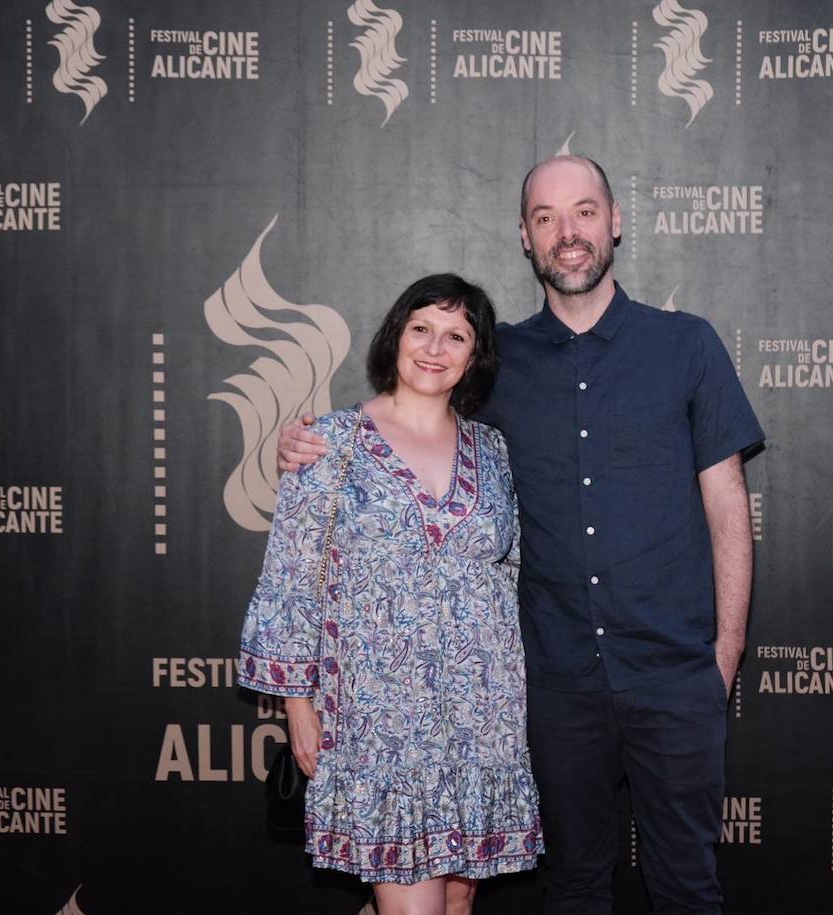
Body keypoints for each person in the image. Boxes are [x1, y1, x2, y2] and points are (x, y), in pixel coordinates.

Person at [278, 156, 764, 914]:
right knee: (571, 887)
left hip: (673, 673)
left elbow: (729, 505)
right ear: (525, 239)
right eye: (545, 218)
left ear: (616, 221)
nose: (567, 233)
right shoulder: (494, 365)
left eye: (583, 212)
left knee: (688, 888)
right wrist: (311, 444)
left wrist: (724, 654)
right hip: (555, 684)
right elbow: (410, 431)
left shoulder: (687, 346)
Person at [238, 273, 543, 915]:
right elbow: (291, 581)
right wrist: (298, 705)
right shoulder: (329, 443)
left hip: (481, 721)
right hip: (380, 726)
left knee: (458, 907)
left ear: (475, 355)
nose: (436, 347)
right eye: (422, 328)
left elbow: (509, 570)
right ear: (395, 336)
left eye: (456, 335)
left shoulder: (493, 452)